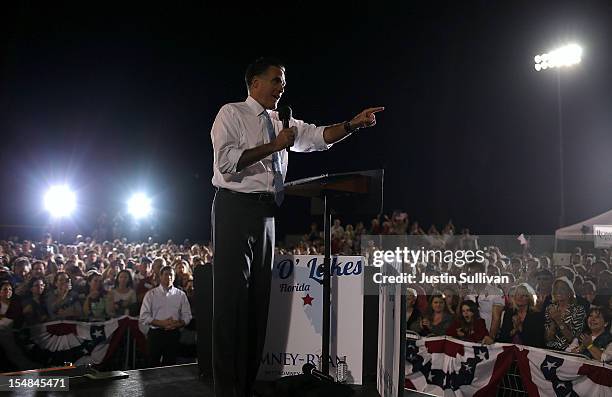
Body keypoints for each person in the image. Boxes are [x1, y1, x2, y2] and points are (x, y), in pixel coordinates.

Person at [210, 56, 383, 397]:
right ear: (254, 82)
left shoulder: (283, 120)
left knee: (258, 304)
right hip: (234, 209)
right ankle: (226, 390)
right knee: (232, 304)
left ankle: (245, 386)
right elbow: (226, 163)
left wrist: (352, 125)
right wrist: (273, 146)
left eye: (283, 81)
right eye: (275, 80)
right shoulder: (232, 113)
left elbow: (319, 137)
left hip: (267, 215)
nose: (281, 86)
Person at [139, 265, 192, 367]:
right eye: (166, 274)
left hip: (173, 334)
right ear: (160, 276)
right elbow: (144, 316)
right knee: (152, 364)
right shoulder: (151, 294)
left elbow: (187, 315)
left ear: (174, 277)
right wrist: (161, 323)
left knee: (170, 366)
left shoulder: (181, 295)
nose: (169, 277)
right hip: (156, 334)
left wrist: (178, 323)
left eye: (171, 275)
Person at [544, 277, 586, 350]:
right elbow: (548, 338)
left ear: (569, 292)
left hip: (569, 351)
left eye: (562, 288)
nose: (559, 291)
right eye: (556, 288)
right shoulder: (550, 308)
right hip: (550, 349)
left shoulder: (578, 310)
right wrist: (553, 322)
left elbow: (571, 339)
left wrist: (558, 320)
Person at [499, 283, 545, 347]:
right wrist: (515, 330)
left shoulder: (536, 315)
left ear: (530, 298)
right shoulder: (509, 312)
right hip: (510, 351)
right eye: (518, 294)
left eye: (524, 295)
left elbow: (537, 341)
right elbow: (503, 338)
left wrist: (520, 327)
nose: (520, 297)